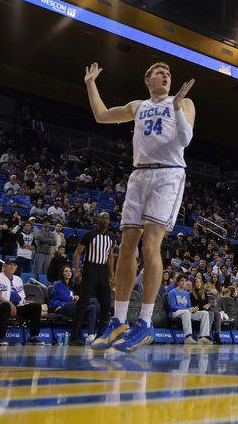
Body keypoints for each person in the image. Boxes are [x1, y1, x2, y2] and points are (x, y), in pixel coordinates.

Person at [84, 61, 195, 352]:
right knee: (126, 247)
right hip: (139, 174)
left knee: (151, 247)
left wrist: (179, 108)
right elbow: (100, 115)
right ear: (148, 80)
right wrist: (90, 84)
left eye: (169, 74)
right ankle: (119, 320)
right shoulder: (138, 105)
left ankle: (144, 323)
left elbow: (186, 139)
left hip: (168, 174)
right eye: (161, 73)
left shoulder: (183, 102)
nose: (167, 77)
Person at [70, 211, 115, 347]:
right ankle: (74, 336)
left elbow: (111, 257)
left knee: (106, 303)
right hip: (90, 269)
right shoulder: (89, 234)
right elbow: (78, 253)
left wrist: (112, 275)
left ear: (109, 221)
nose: (105, 220)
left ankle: (102, 335)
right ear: (97, 219)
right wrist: (77, 270)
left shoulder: (111, 237)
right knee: (83, 302)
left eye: (107, 218)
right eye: (102, 217)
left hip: (103, 270)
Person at [0, 259, 45, 345]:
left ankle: (33, 337)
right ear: (4, 266)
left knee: (36, 307)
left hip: (17, 306)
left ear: (16, 267)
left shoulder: (18, 279)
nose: (12, 266)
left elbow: (21, 295)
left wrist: (24, 301)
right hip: (1, 306)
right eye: (9, 264)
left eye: (14, 265)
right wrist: (10, 303)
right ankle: (0, 337)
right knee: (6, 306)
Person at [51, 264, 101, 343]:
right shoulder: (58, 284)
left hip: (70, 306)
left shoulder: (71, 287)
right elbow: (65, 298)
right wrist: (74, 298)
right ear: (62, 273)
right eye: (66, 271)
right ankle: (104, 326)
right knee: (94, 301)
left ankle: (90, 336)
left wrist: (75, 298)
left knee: (93, 307)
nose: (68, 273)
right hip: (60, 307)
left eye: (70, 271)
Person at [168, 274, 210, 345]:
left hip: (186, 312)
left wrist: (194, 309)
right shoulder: (172, 292)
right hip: (174, 313)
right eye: (182, 281)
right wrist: (188, 309)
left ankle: (202, 337)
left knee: (205, 313)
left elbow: (189, 306)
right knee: (186, 312)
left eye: (185, 281)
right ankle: (188, 337)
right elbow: (172, 306)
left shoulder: (186, 294)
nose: (184, 282)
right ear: (178, 282)